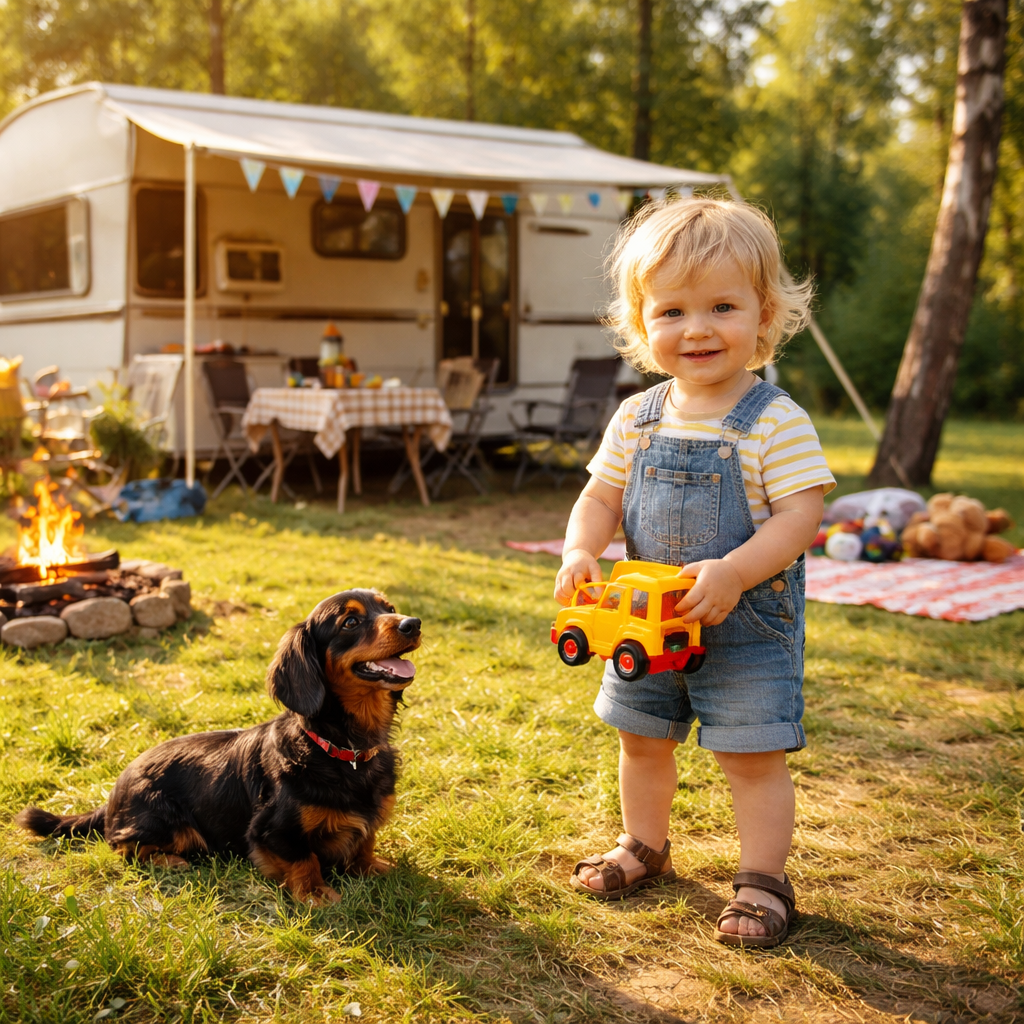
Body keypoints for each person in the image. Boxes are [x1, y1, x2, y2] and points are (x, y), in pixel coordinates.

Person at [555, 198, 835, 948]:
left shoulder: (775, 420)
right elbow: (601, 495)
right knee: (641, 738)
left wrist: (738, 570)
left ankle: (761, 881)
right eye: (672, 310)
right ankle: (643, 845)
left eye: (722, 306)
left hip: (744, 625)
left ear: (764, 313)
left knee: (751, 754)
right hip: (646, 623)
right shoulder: (636, 416)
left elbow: (800, 516)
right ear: (643, 323)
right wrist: (581, 548)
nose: (698, 328)